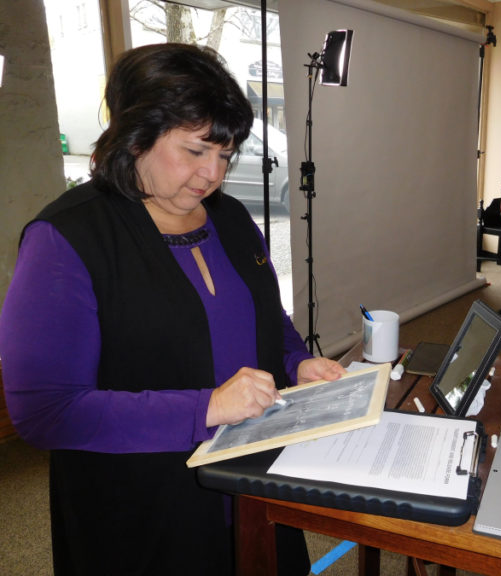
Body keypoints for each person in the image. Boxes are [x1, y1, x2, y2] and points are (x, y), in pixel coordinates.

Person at [0, 43, 346, 575]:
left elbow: (267, 320)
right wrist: (206, 408)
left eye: (225, 155)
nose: (212, 173)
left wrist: (297, 362)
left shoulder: (231, 219)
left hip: (253, 478)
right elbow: (47, 413)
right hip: (143, 509)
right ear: (136, 137)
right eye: (195, 150)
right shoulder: (67, 238)